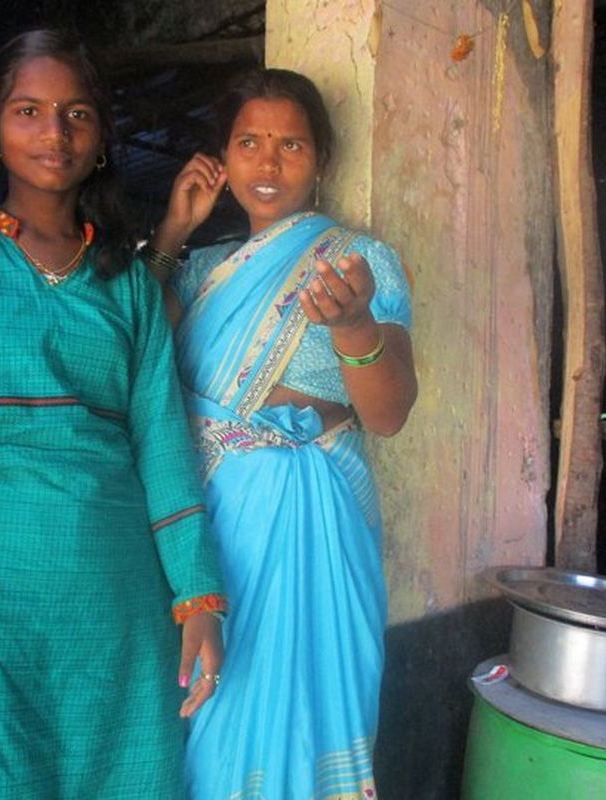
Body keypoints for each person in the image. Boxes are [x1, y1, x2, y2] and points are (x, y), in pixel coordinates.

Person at [0, 29, 225, 800]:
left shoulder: (128, 284)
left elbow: (162, 446)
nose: (54, 134)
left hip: (115, 604)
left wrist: (199, 598)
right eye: (29, 111)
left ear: (102, 137)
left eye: (76, 114)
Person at [142, 68, 417, 799]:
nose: (268, 162)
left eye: (291, 144)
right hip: (205, 531)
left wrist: (354, 326)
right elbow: (129, 352)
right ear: (223, 159)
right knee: (204, 722)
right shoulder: (199, 269)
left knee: (298, 718)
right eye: (249, 143)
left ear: (321, 159)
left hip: (310, 521)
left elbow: (389, 414)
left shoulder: (361, 262)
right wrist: (171, 233)